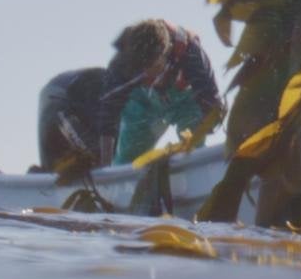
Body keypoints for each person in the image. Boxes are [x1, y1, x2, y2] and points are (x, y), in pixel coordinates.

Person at [35, 20, 220, 173]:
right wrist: (106, 172)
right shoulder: (121, 67)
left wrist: (210, 122)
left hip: (184, 103)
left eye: (154, 69)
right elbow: (108, 118)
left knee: (196, 140)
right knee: (127, 160)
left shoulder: (192, 55)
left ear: (168, 52)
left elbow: (212, 101)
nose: (148, 77)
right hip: (144, 105)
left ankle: (197, 173)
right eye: (141, 71)